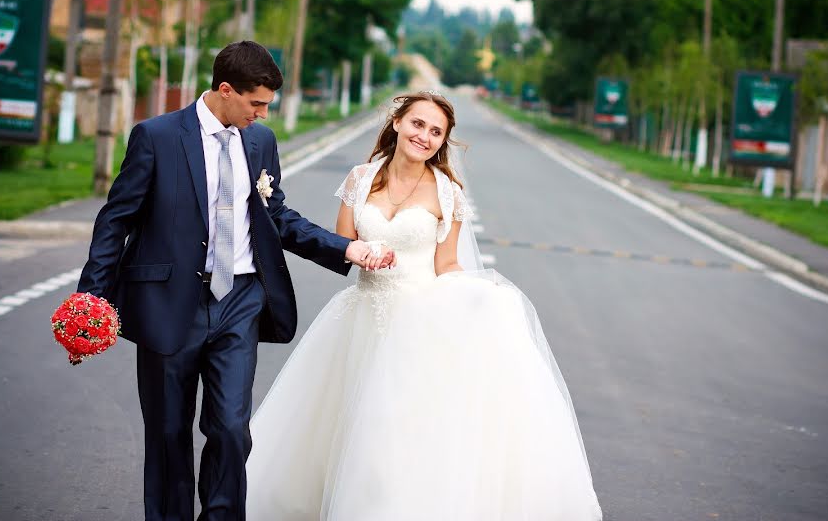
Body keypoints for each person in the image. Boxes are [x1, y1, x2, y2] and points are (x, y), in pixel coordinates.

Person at [245, 91, 603, 520]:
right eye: (418, 124)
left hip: (418, 322)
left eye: (436, 132)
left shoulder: (447, 192)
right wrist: (361, 251)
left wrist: (478, 298)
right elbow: (345, 244)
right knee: (341, 428)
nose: (425, 137)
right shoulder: (360, 179)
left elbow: (447, 263)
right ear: (397, 123)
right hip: (360, 315)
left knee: (392, 434)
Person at [77, 41, 391, 521]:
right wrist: (91, 300)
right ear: (225, 90)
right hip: (168, 301)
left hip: (239, 300)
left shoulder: (259, 142)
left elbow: (276, 216)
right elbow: (116, 219)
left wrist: (344, 247)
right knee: (168, 432)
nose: (262, 115)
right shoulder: (156, 136)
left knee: (230, 427)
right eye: (256, 104)